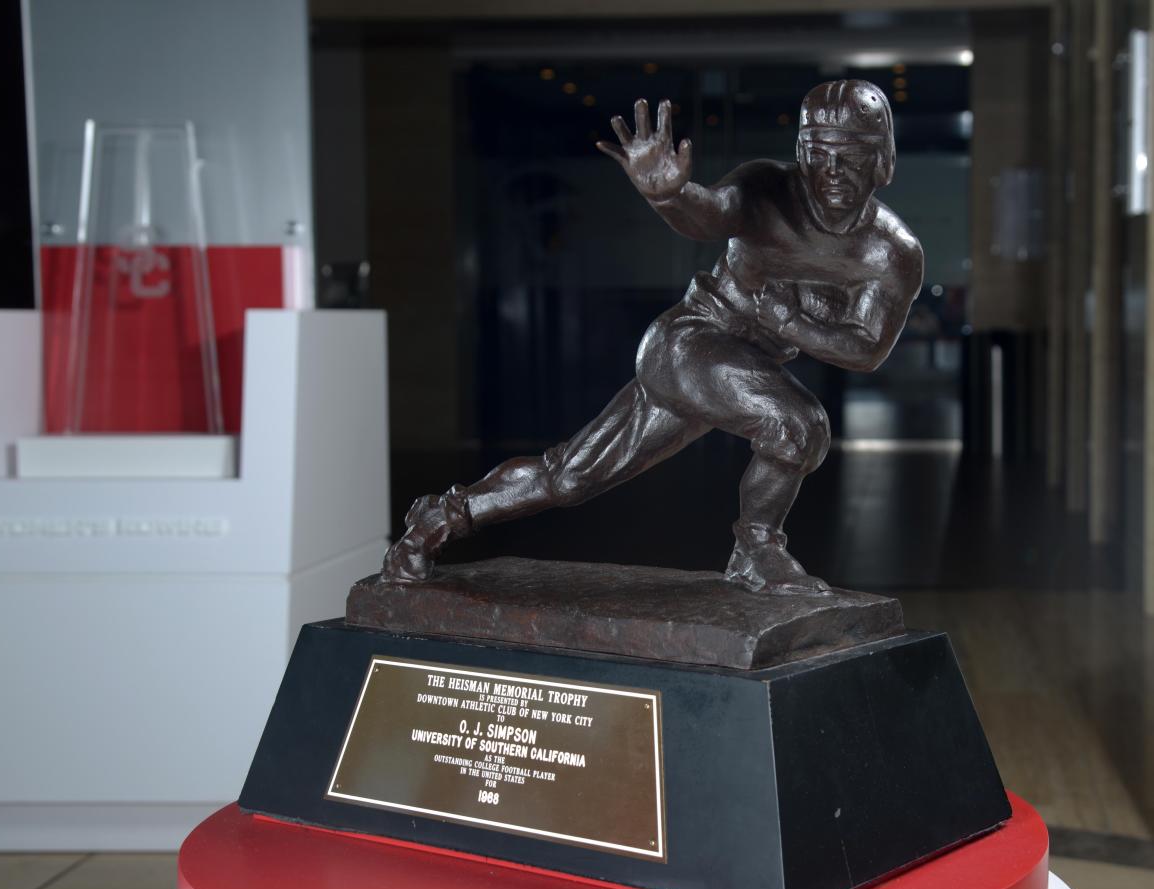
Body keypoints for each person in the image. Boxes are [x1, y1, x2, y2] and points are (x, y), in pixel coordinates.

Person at [382, 79, 923, 594]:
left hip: (741, 371)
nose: (830, 171)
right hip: (689, 344)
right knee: (799, 425)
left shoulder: (890, 253)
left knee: (570, 477)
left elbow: (865, 349)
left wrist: (784, 320)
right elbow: (710, 214)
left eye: (848, 156)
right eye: (817, 153)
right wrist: (669, 194)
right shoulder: (765, 187)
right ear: (800, 153)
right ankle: (757, 547)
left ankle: (438, 518)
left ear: (881, 160)